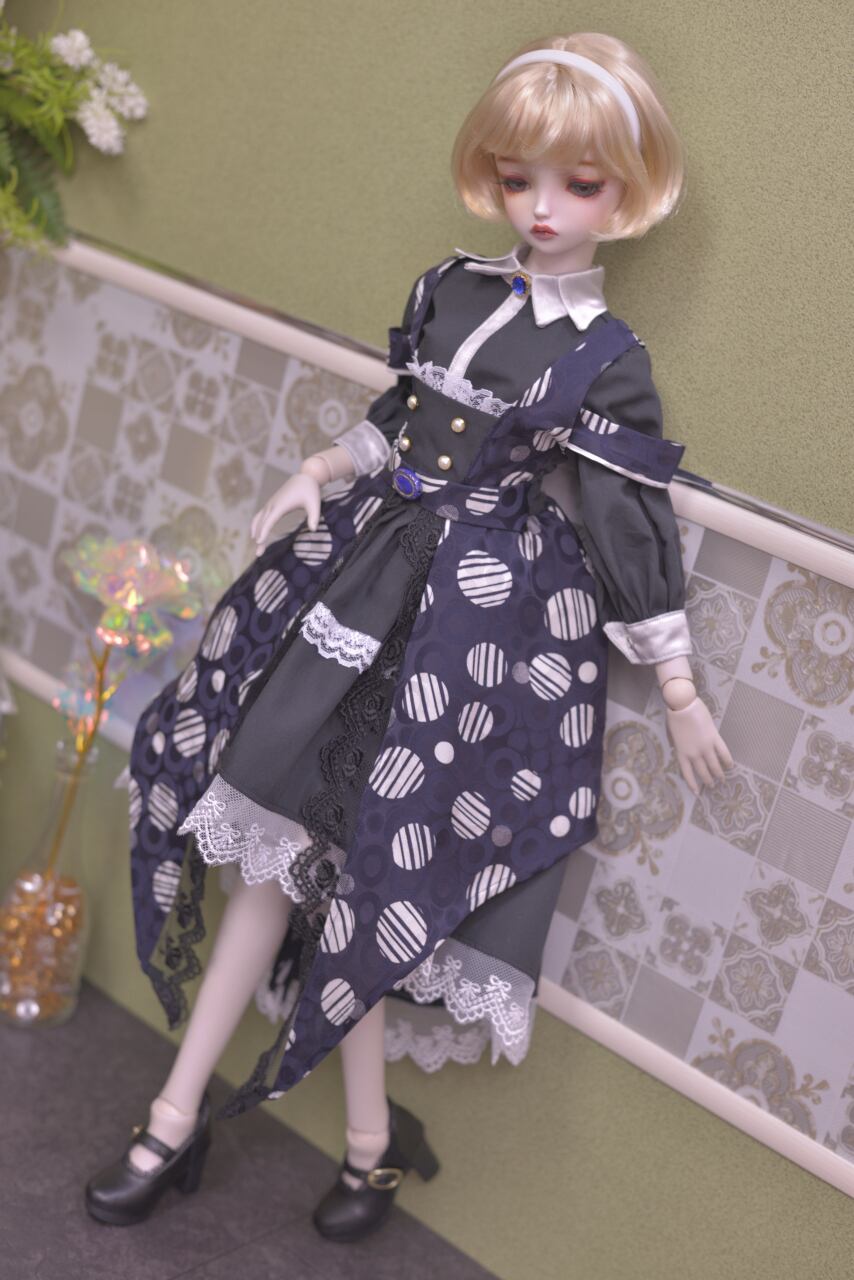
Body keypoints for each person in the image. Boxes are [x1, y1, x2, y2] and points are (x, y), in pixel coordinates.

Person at [85, 30, 732, 1242]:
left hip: (464, 633)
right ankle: (194, 1124)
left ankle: (338, 1143)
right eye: (519, 177)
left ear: (626, 190)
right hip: (360, 581)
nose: (542, 208)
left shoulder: (604, 357)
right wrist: (318, 467)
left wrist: (679, 680)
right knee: (276, 856)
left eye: (578, 183)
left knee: (364, 880)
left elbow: (624, 516)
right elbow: (397, 417)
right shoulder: (451, 288)